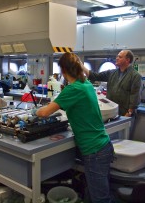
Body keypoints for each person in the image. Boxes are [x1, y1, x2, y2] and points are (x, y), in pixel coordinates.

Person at [35, 52, 114, 203]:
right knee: (95, 193)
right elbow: (79, 107)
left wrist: (35, 111)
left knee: (100, 198)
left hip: (94, 150)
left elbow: (44, 112)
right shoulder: (87, 84)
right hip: (103, 145)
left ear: (64, 71)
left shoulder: (72, 90)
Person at [82, 50, 142, 136]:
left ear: (127, 60)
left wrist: (128, 114)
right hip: (112, 113)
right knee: (112, 139)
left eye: (120, 57)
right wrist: (80, 65)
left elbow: (135, 96)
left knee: (123, 139)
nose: (117, 58)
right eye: (117, 56)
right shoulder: (112, 73)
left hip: (124, 114)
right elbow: (94, 75)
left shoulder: (135, 76)